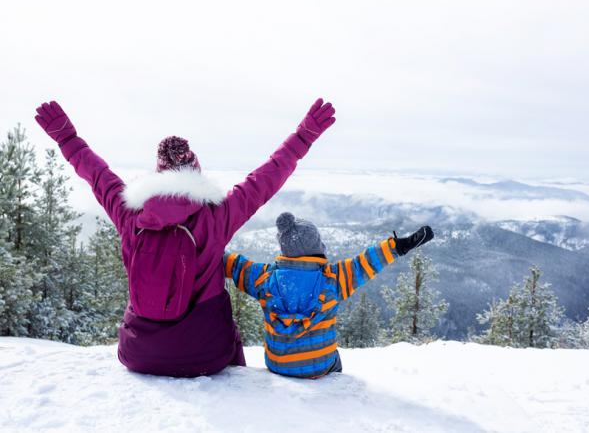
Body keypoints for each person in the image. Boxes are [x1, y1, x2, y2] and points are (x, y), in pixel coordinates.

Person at [34, 98, 336, 377]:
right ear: (195, 172)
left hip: (139, 352)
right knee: (224, 320)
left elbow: (98, 175)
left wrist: (67, 138)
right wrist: (304, 136)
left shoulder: (130, 214)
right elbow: (264, 179)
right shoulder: (215, 216)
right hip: (206, 354)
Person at [224, 212, 434, 379]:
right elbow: (366, 263)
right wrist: (399, 246)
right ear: (316, 248)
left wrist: (202, 248)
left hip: (277, 364)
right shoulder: (333, 279)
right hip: (320, 367)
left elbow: (234, 265)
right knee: (333, 358)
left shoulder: (263, 278)